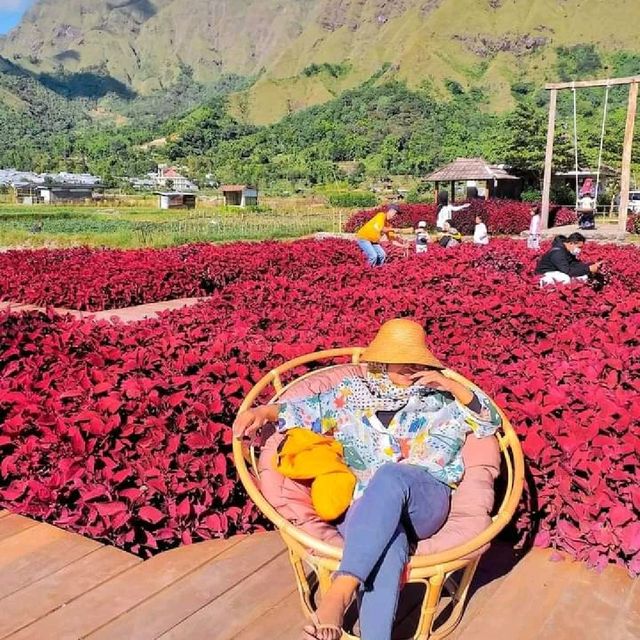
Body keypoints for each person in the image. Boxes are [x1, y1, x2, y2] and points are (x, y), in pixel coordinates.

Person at [233, 318, 501, 640]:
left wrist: (455, 388)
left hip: (424, 499)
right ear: (382, 361)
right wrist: (263, 413)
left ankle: (339, 592)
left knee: (389, 476)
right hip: (365, 506)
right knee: (390, 543)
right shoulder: (352, 393)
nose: (411, 369)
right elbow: (305, 410)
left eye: (416, 361)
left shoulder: (441, 400)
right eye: (402, 361)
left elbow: (489, 423)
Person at [535, 232, 602, 286]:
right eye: (579, 247)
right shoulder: (558, 253)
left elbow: (574, 264)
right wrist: (588, 269)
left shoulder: (567, 250)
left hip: (557, 271)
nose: (580, 250)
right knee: (565, 278)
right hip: (544, 274)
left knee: (583, 276)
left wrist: (591, 265)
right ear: (571, 243)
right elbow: (567, 271)